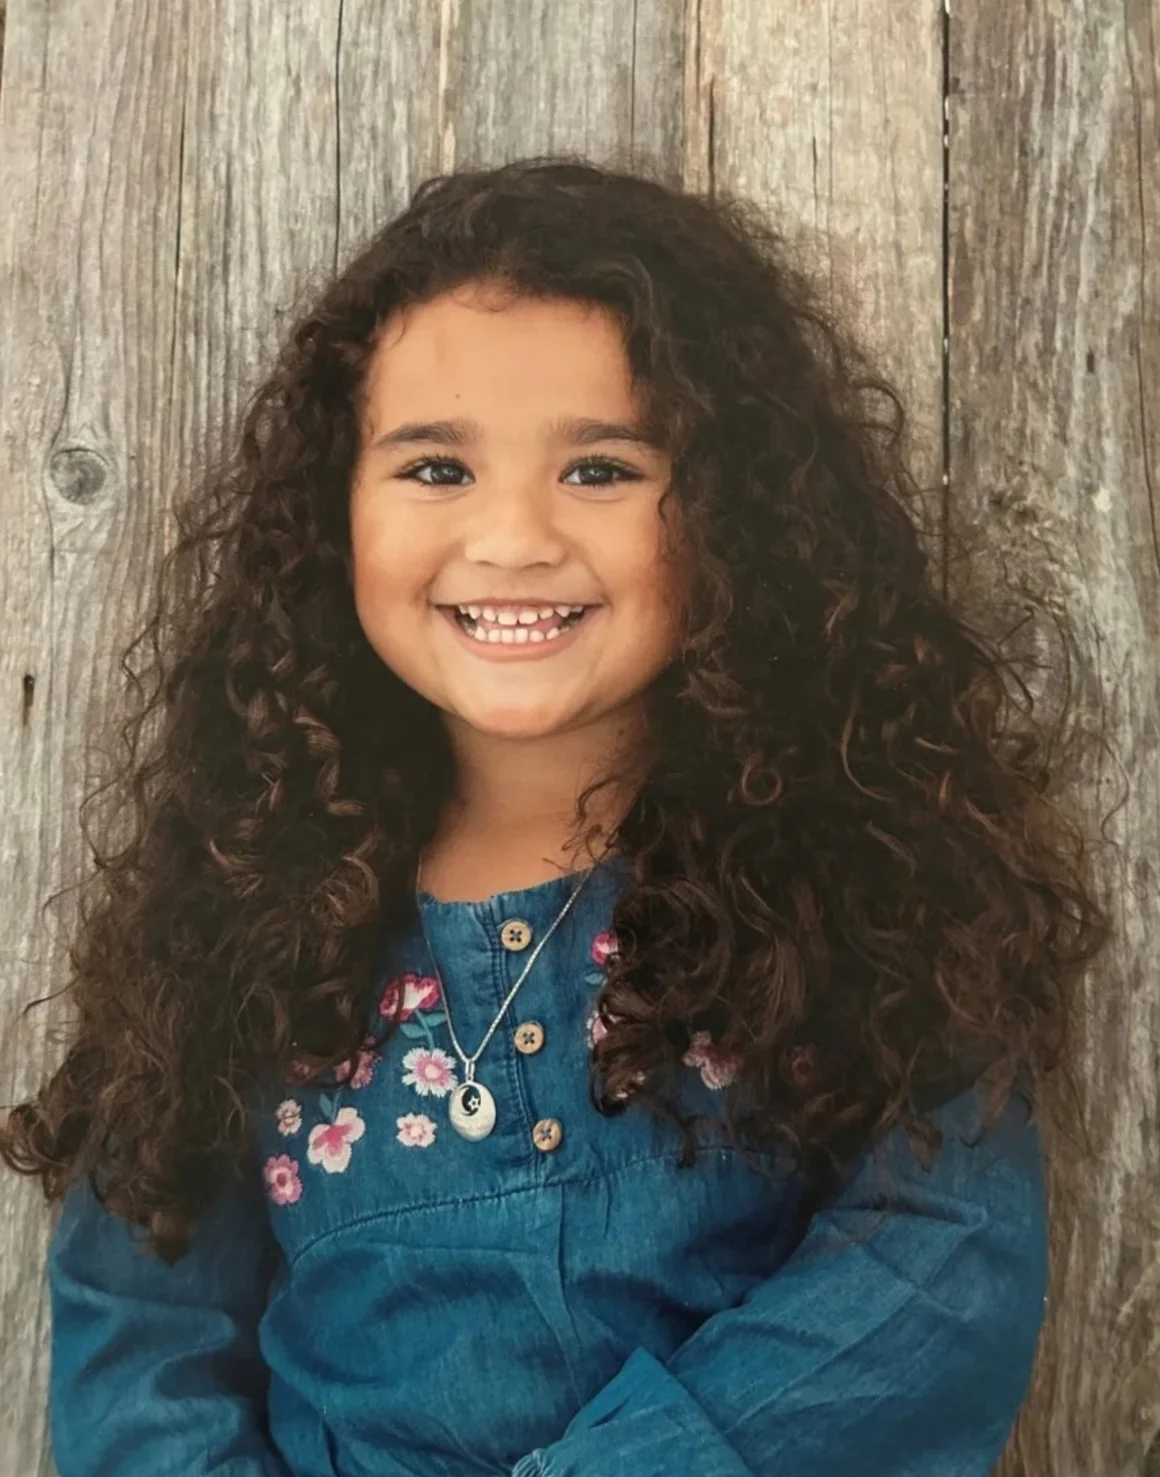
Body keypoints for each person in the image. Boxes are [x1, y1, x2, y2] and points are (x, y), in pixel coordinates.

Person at [1, 157, 1112, 1477]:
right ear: (332, 512)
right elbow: (143, 1337)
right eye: (436, 468)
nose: (516, 537)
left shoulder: (859, 879)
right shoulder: (243, 915)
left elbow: (941, 1273)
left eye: (599, 468)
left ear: (731, 509)